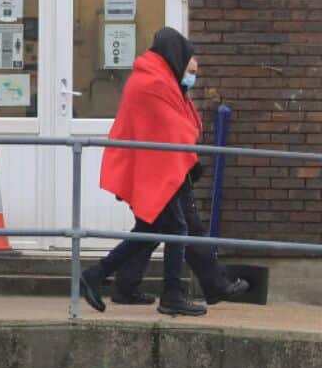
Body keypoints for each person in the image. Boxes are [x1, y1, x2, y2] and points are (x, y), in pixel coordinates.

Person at [79, 27, 248, 317]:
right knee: (178, 229)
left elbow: (174, 122)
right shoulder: (151, 83)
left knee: (149, 230)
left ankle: (97, 275)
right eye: (188, 60)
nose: (190, 69)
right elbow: (176, 127)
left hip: (157, 166)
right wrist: (189, 141)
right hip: (155, 170)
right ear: (174, 55)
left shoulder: (155, 79)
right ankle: (172, 294)